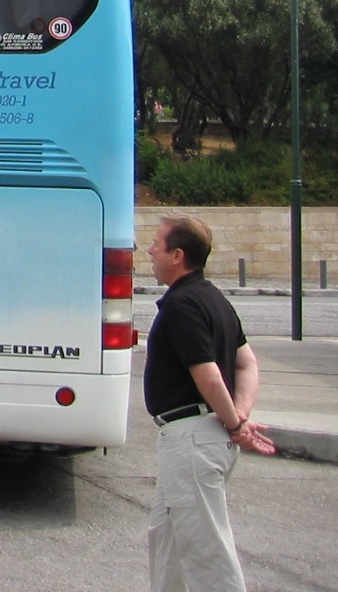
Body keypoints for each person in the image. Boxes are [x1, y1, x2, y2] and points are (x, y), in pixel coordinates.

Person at [145, 214, 274, 592]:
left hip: (193, 440)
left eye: (156, 244)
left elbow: (209, 377)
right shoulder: (215, 299)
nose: (149, 251)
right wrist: (240, 414)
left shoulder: (183, 305)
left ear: (177, 255)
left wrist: (236, 423)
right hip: (199, 437)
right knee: (167, 541)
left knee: (207, 553)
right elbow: (247, 363)